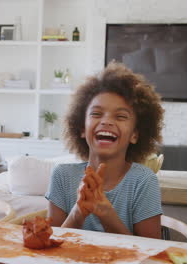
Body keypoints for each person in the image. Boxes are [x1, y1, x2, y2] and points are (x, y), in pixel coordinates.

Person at [46, 62, 164, 239]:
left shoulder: (143, 181)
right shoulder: (62, 176)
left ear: (135, 134)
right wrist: (78, 213)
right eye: (96, 114)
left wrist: (106, 214)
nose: (106, 121)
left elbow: (152, 253)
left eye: (121, 116)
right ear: (82, 128)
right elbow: (49, 249)